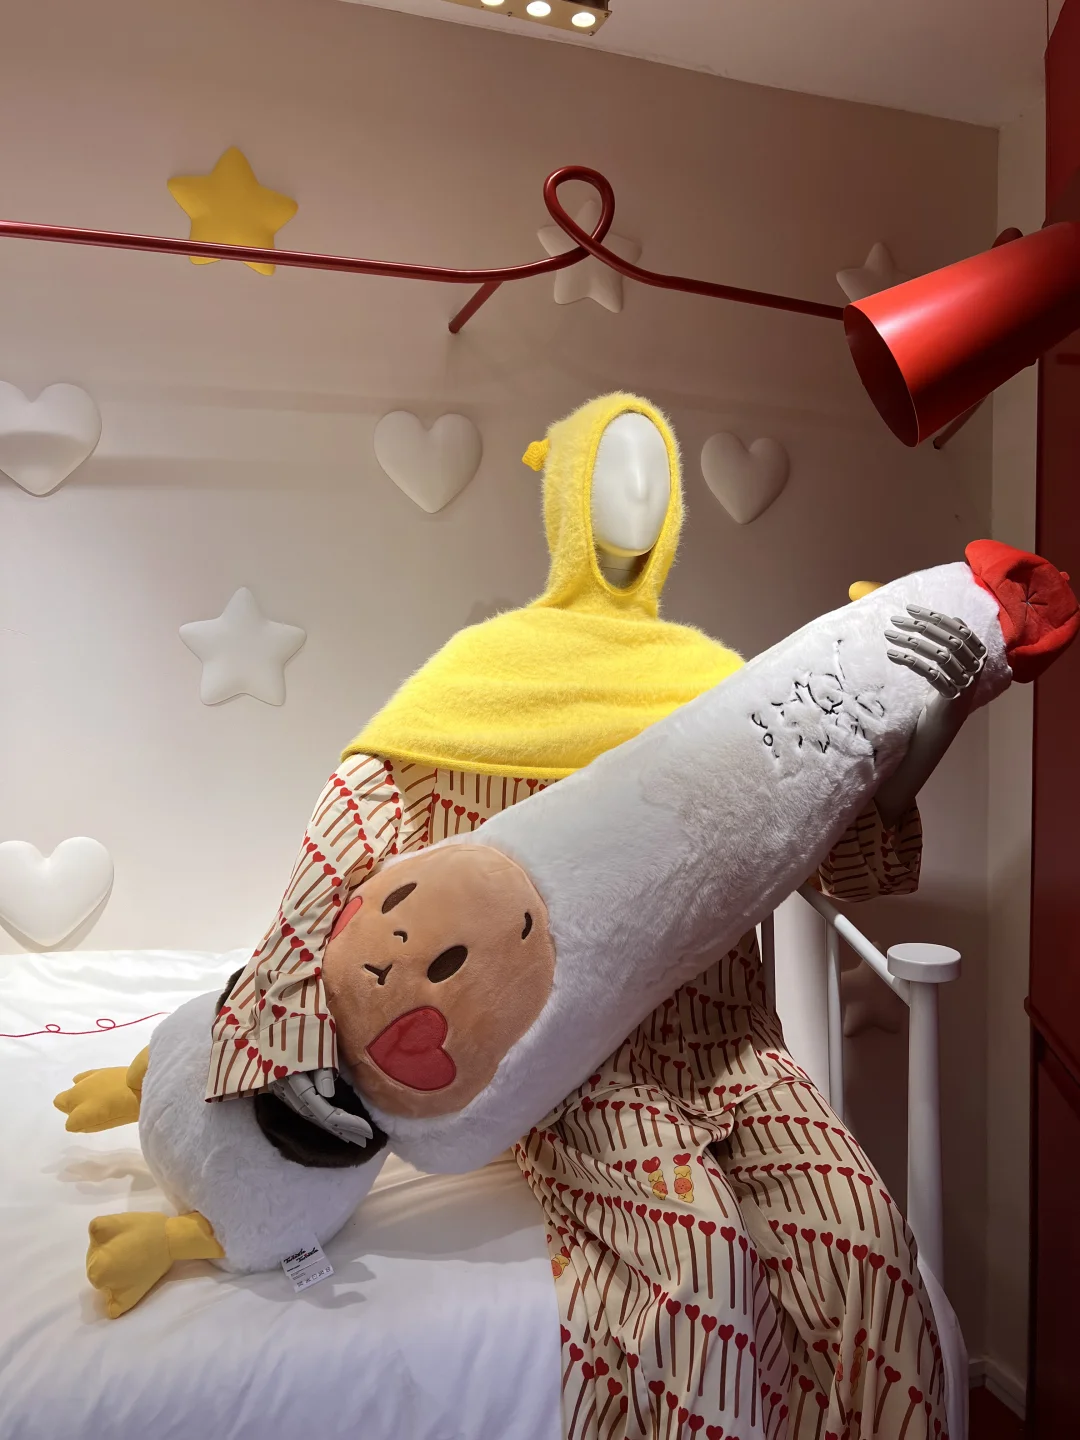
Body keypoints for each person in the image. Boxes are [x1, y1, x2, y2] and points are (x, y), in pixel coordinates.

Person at [204, 393, 979, 1439]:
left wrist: (920, 739)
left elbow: (830, 858)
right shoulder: (479, 677)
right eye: (615, 466)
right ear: (566, 493)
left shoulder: (715, 684)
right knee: (698, 1258)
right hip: (574, 1064)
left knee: (870, 1242)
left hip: (730, 1040)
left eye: (658, 470)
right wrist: (284, 1014)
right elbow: (355, 827)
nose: (641, 492)